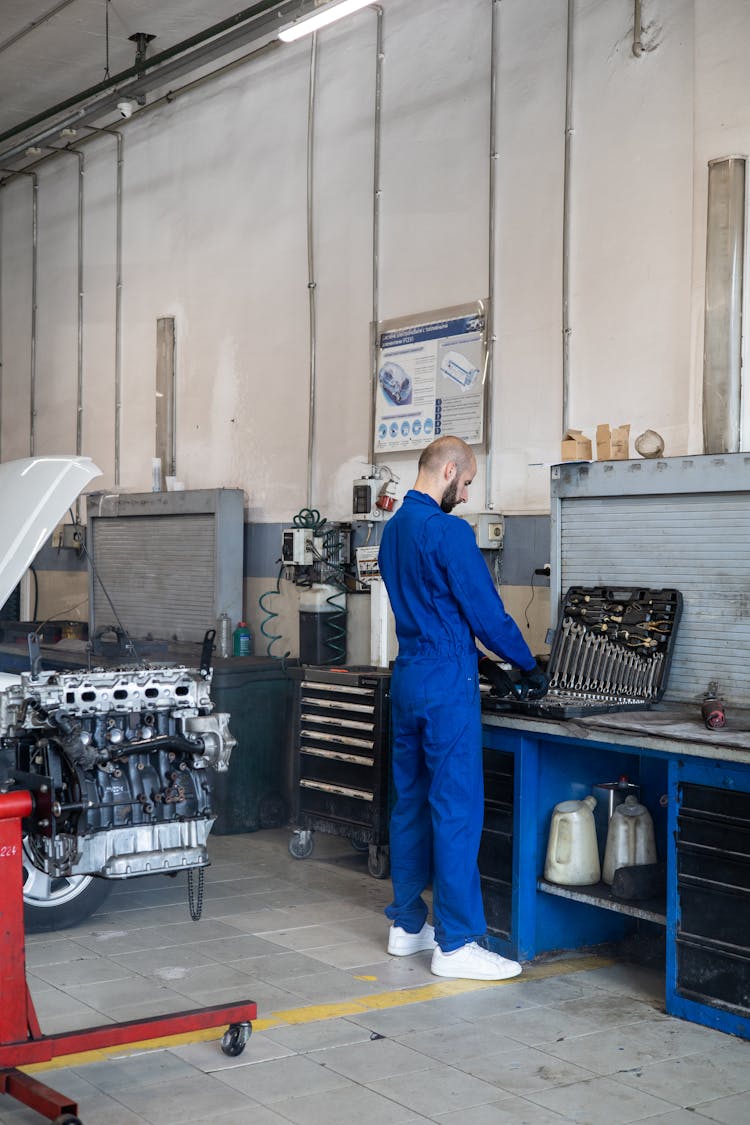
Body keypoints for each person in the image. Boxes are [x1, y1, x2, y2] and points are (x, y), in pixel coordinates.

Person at [377, 435, 548, 980]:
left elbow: (433, 610)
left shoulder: (393, 530)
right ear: (449, 470)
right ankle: (456, 943)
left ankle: (407, 926)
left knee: (409, 803)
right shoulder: (448, 532)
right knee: (457, 809)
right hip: (446, 684)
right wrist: (527, 664)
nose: (467, 495)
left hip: (407, 677)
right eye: (468, 482)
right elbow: (488, 616)